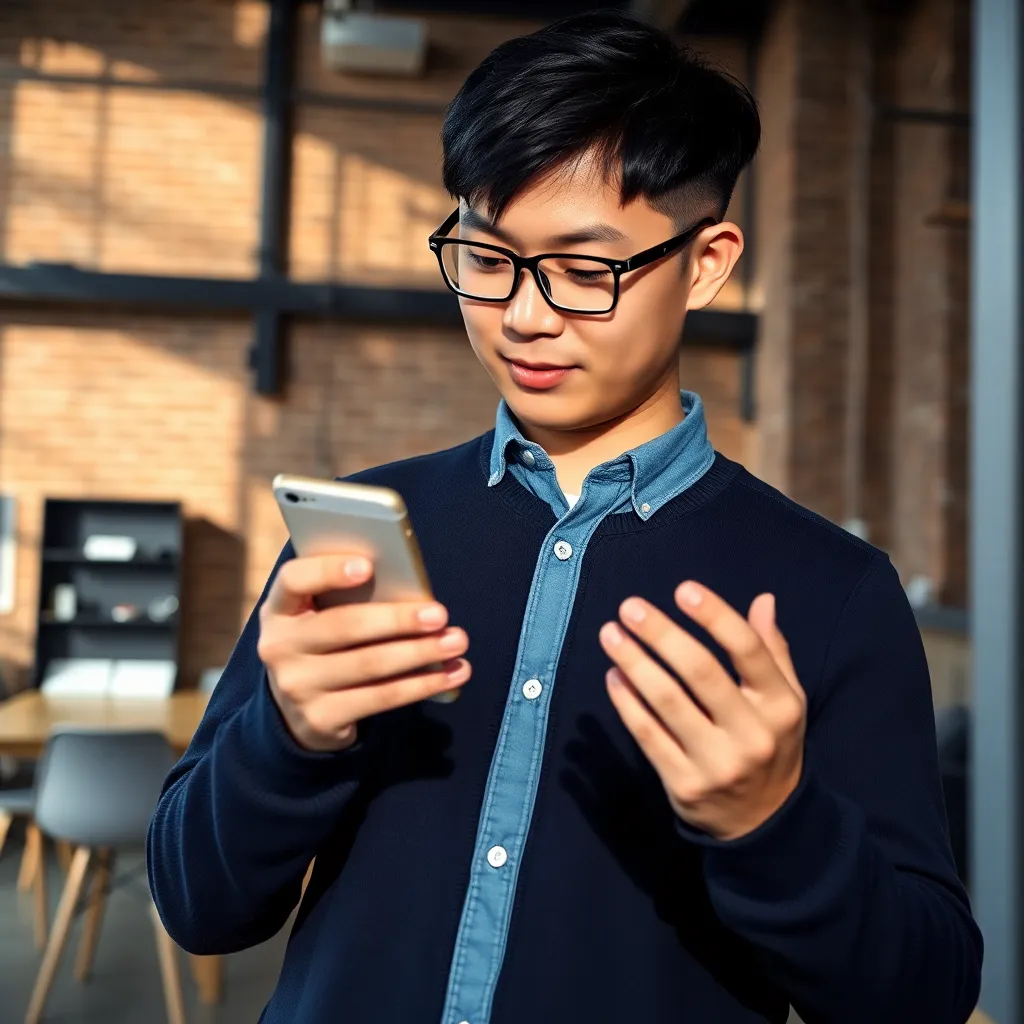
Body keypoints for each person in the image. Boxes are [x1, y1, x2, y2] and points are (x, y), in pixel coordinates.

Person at [147, 11, 982, 1023]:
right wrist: (284, 738)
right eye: (487, 258)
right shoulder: (362, 538)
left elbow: (925, 992)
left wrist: (772, 822)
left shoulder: (833, 592)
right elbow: (198, 903)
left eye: (587, 272)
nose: (524, 315)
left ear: (707, 262)